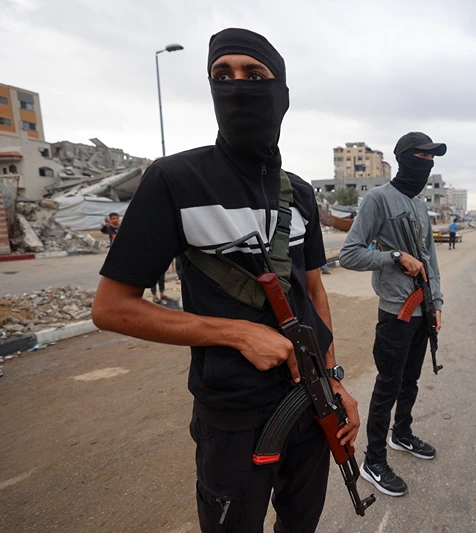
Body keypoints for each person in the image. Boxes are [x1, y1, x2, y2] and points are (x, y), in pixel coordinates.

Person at [91, 28, 359, 533]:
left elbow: (314, 291)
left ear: (280, 93)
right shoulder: (174, 180)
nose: (237, 85)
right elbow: (111, 308)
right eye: (222, 75)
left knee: (301, 524)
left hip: (310, 399)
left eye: (253, 74)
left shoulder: (298, 193)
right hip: (233, 416)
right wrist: (234, 333)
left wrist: (335, 379)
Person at [339, 132, 445, 497]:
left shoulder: (420, 205)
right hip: (395, 316)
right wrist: (395, 257)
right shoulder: (378, 199)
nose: (427, 164)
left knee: (410, 381)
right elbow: (350, 254)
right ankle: (375, 461)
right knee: (387, 386)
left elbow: (430, 258)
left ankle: (402, 434)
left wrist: (438, 303)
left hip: (422, 311)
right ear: (404, 159)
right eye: (422, 156)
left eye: (432, 159)